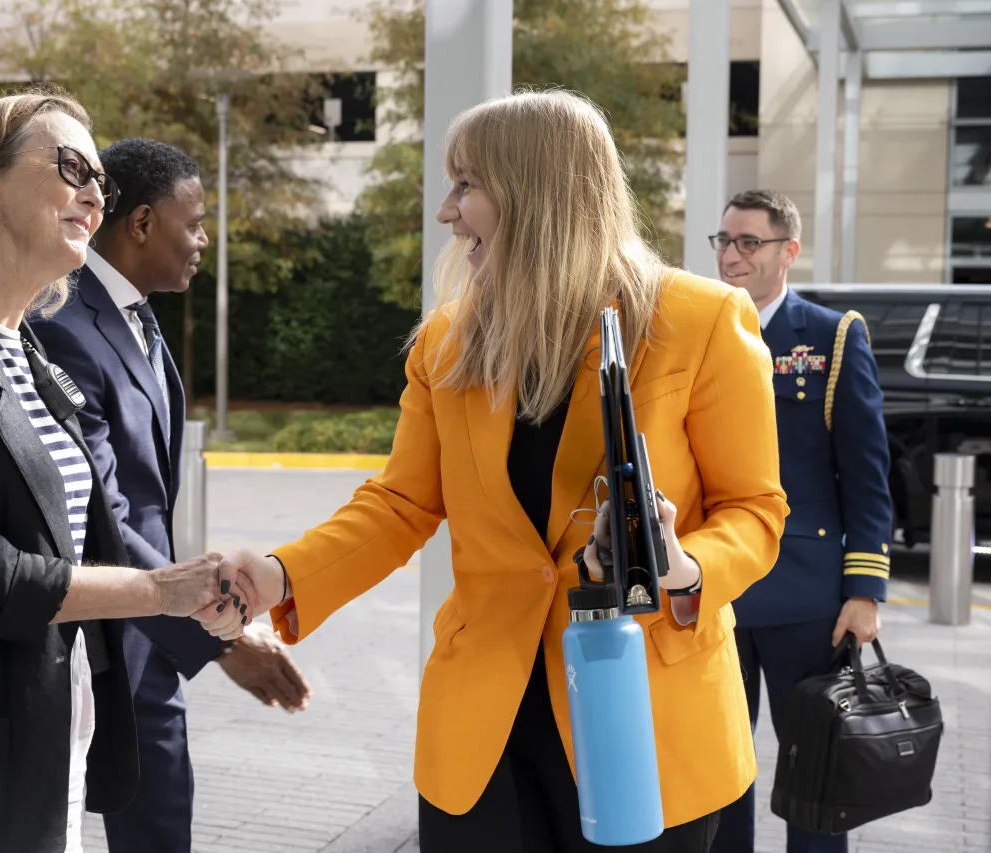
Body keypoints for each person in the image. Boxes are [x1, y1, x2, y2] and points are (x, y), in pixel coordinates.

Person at [204, 90, 787, 853]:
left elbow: (755, 510)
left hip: (644, 720)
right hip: (485, 730)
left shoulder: (704, 322)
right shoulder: (447, 342)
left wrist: (682, 564)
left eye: (467, 184)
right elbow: (401, 503)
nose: (448, 211)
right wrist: (279, 575)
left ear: (536, 191)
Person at [0, 90, 246, 853]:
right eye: (71, 168)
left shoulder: (26, 347)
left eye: (100, 178)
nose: (95, 194)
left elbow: (75, 534)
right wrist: (158, 591)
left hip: (44, 729)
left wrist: (195, 597)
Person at [30, 137, 312, 853]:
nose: (203, 240)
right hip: (99, 631)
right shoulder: (63, 326)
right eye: (194, 223)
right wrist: (215, 635)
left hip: (148, 631)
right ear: (145, 223)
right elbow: (103, 510)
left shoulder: (138, 317)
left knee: (161, 822)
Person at [710, 189, 892, 853]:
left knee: (812, 770)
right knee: (717, 770)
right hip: (715, 588)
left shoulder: (831, 335)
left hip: (805, 595)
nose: (731, 255)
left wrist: (865, 590)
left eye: (747, 242)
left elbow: (867, 472)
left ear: (788, 250)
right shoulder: (699, 326)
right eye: (724, 240)